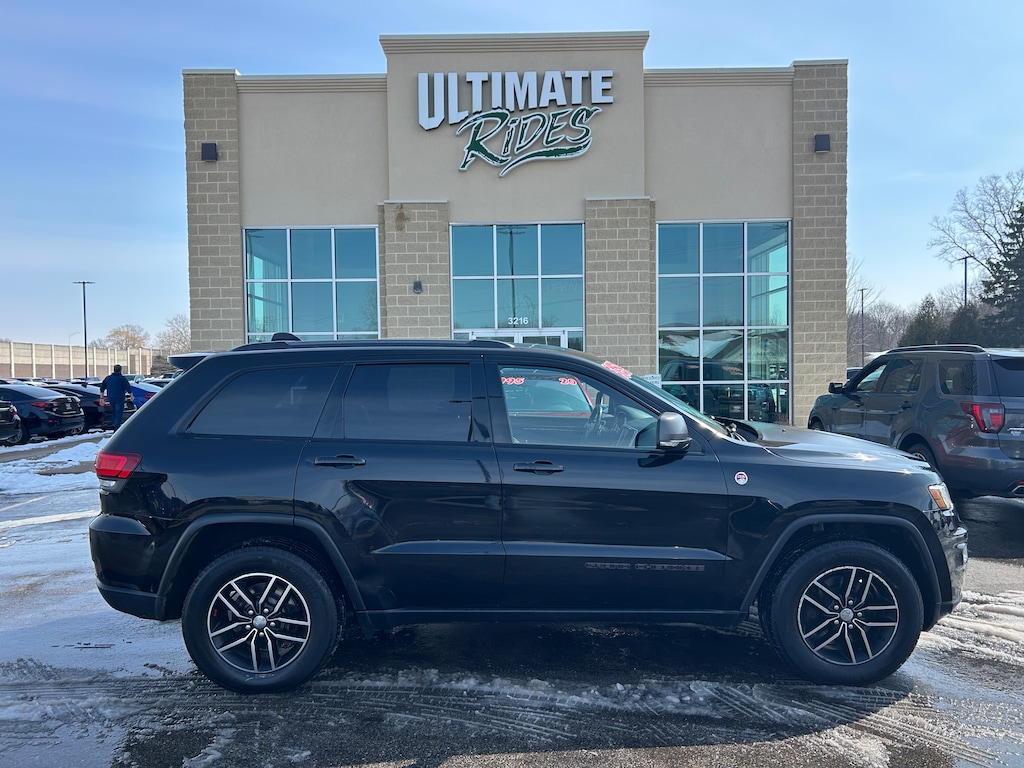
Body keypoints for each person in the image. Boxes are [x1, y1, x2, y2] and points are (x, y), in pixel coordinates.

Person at [100, 364, 131, 429]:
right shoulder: (122, 379)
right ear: (120, 370)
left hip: (111, 398)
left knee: (114, 413)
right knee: (119, 413)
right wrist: (131, 395)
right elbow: (128, 388)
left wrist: (101, 398)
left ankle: (114, 425)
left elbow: (102, 388)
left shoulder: (108, 378)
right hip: (120, 398)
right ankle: (116, 428)